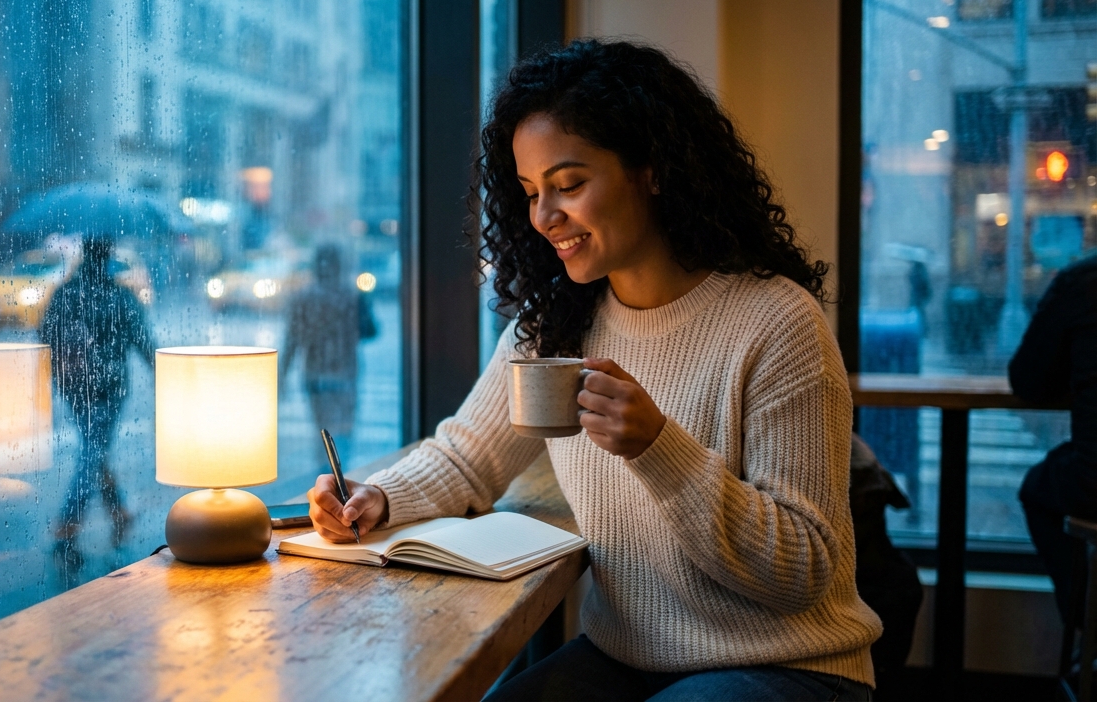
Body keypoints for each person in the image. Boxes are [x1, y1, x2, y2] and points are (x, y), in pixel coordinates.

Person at [306, 40, 882, 701]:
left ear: (653, 169)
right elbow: (468, 457)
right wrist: (377, 498)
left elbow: (803, 569)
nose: (545, 217)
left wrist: (659, 448)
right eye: (529, 192)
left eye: (568, 184)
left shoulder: (776, 322)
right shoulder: (558, 321)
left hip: (787, 665)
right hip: (625, 661)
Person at [39, 236, 155, 557]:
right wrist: (166, 375)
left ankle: (116, 512)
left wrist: (60, 370)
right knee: (93, 449)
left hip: (72, 384)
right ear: (108, 256)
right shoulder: (120, 296)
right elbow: (144, 341)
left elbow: (45, 336)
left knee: (93, 446)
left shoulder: (65, 293)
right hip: (111, 387)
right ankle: (70, 522)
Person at [1012, 253, 1097, 626]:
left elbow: (1030, 381)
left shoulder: (1083, 280)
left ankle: (1087, 624)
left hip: (1094, 481)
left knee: (1038, 489)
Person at [280, 244, 376, 451]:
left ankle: (325, 474)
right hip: (345, 374)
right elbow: (370, 331)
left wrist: (282, 376)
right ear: (339, 266)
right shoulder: (352, 296)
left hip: (315, 374)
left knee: (321, 434)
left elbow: (291, 340)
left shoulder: (303, 298)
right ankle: (343, 475)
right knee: (345, 432)